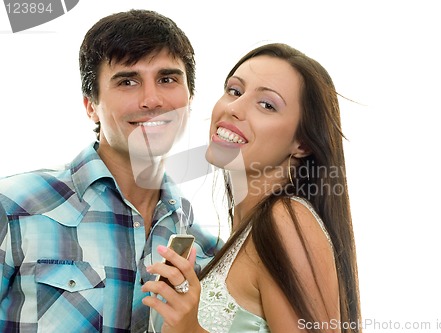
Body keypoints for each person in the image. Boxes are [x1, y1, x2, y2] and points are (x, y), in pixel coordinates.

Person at [0, 9, 221, 332]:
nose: (152, 99)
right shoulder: (14, 207)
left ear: (189, 99)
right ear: (91, 106)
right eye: (127, 81)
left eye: (167, 79)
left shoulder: (206, 250)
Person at [142, 43, 362, 333]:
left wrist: (191, 329)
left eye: (267, 105)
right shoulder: (244, 231)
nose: (233, 108)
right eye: (234, 91)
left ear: (303, 143)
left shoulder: (287, 222)